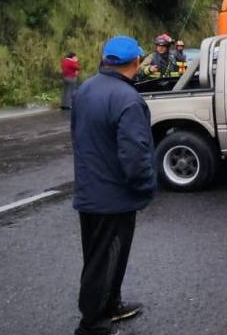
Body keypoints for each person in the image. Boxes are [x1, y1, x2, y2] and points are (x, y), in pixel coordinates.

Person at [71, 35, 157, 335]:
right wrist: (146, 188)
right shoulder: (128, 99)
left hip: (89, 193)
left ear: (105, 60)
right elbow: (135, 155)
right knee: (104, 262)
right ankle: (92, 325)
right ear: (135, 62)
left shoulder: (85, 90)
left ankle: (111, 305)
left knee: (100, 257)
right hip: (114, 198)